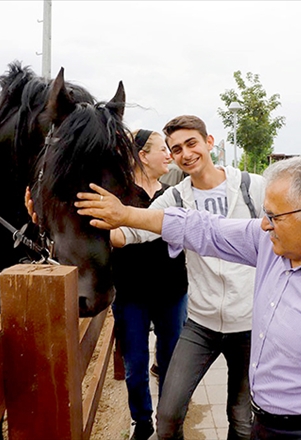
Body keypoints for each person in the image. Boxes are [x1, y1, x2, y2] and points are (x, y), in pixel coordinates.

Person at [76, 154, 301, 439]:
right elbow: (205, 229)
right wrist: (126, 215)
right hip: (267, 424)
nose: (263, 225)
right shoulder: (274, 247)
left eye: (274, 217)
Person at [112, 115, 265, 440]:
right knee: (167, 416)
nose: (185, 153)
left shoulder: (253, 187)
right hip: (201, 323)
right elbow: (131, 231)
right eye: (176, 148)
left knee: (240, 418)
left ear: (209, 143)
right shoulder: (177, 197)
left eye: (191, 143)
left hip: (249, 323)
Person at [112, 129, 188, 440]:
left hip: (172, 291)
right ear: (143, 155)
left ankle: (169, 424)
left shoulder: (174, 193)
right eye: (164, 149)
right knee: (135, 365)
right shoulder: (118, 196)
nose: (170, 155)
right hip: (130, 294)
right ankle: (141, 422)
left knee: (172, 362)